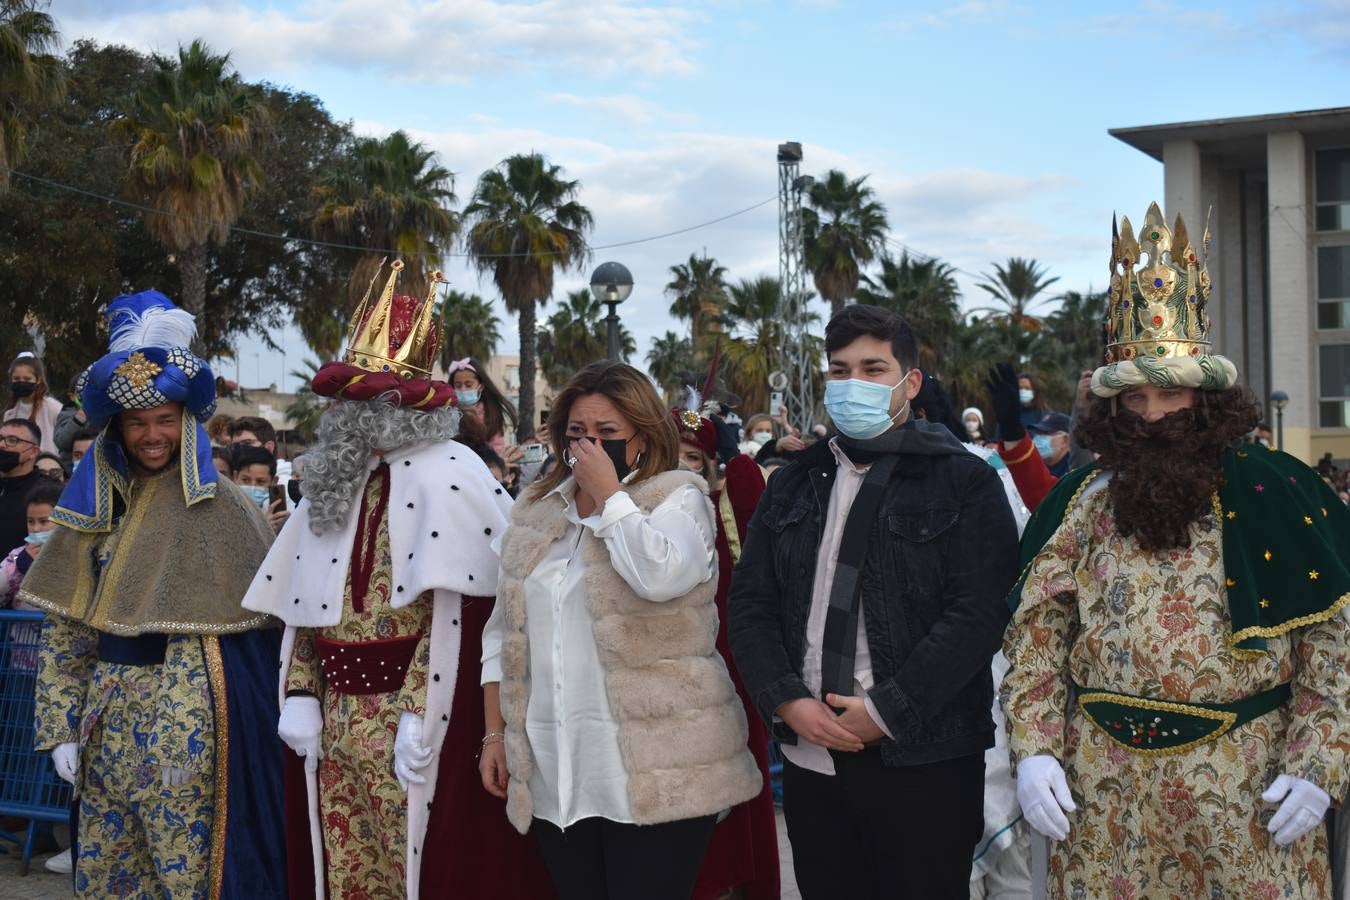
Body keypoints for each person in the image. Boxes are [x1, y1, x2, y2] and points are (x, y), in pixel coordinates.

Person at [1002, 203, 1350, 899]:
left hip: (1247, 791)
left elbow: (1333, 642)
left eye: (1170, 394)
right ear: (1112, 408)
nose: (1153, 415)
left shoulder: (1277, 491)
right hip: (1101, 797)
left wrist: (1319, 763)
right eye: (1135, 400)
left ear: (1206, 397)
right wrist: (1034, 751)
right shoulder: (1079, 504)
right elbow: (1037, 639)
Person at [241, 261, 550, 900]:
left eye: (374, 400)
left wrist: (420, 708)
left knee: (422, 869)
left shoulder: (456, 471)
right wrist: (300, 689)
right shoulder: (332, 476)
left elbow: (470, 614)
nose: (358, 414)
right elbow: (305, 602)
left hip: (418, 716)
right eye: (351, 400)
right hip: (332, 717)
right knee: (346, 871)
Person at [728, 304, 1020, 900]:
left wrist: (887, 709)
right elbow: (751, 603)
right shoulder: (792, 482)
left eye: (872, 368)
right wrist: (785, 697)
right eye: (839, 370)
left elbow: (978, 613)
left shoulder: (964, 481)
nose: (852, 384)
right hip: (813, 753)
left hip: (926, 760)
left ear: (909, 383)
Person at [23, 289, 286, 898]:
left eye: (165, 420)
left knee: (186, 874)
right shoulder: (94, 507)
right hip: (105, 724)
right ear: (118, 427)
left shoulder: (226, 507)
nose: (152, 434)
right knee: (110, 873)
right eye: (138, 422)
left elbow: (265, 634)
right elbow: (66, 629)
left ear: (186, 423)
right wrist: (60, 727)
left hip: (188, 727)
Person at [480, 360, 762, 900]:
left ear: (643, 434)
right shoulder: (537, 513)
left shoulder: (676, 498)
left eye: (607, 433)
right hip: (556, 769)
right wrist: (495, 734)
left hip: (659, 769)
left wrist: (611, 498)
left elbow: (657, 576)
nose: (588, 445)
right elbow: (503, 633)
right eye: (577, 434)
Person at [673, 408, 781, 900]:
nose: (680, 466)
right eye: (670, 454)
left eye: (692, 458)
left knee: (733, 803)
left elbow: (756, 514)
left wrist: (738, 459)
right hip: (659, 681)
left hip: (725, 673)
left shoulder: (722, 504)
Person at [448, 356, 519, 452]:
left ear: (481, 386)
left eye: (468, 385)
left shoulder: (492, 412)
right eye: (458, 385)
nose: (463, 389)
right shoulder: (447, 413)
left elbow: (497, 447)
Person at [0, 418, 45, 554]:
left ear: (33, 452)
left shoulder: (45, 493)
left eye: (12, 440)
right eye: (1, 438)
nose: (2, 445)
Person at [4, 352, 63, 455]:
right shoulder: (9, 414)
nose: (21, 382)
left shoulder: (53, 408)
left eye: (27, 379)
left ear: (38, 379)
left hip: (47, 467)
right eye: (16, 379)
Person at [230, 443, 289, 532]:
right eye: (245, 480)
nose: (252, 487)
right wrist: (264, 528)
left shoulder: (282, 512)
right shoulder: (225, 509)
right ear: (235, 477)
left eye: (260, 482)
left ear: (274, 482)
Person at [1026, 412, 1073, 478]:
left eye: (1046, 433)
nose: (1038, 438)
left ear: (1065, 440)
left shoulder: (1075, 470)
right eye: (1037, 433)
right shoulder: (1034, 469)